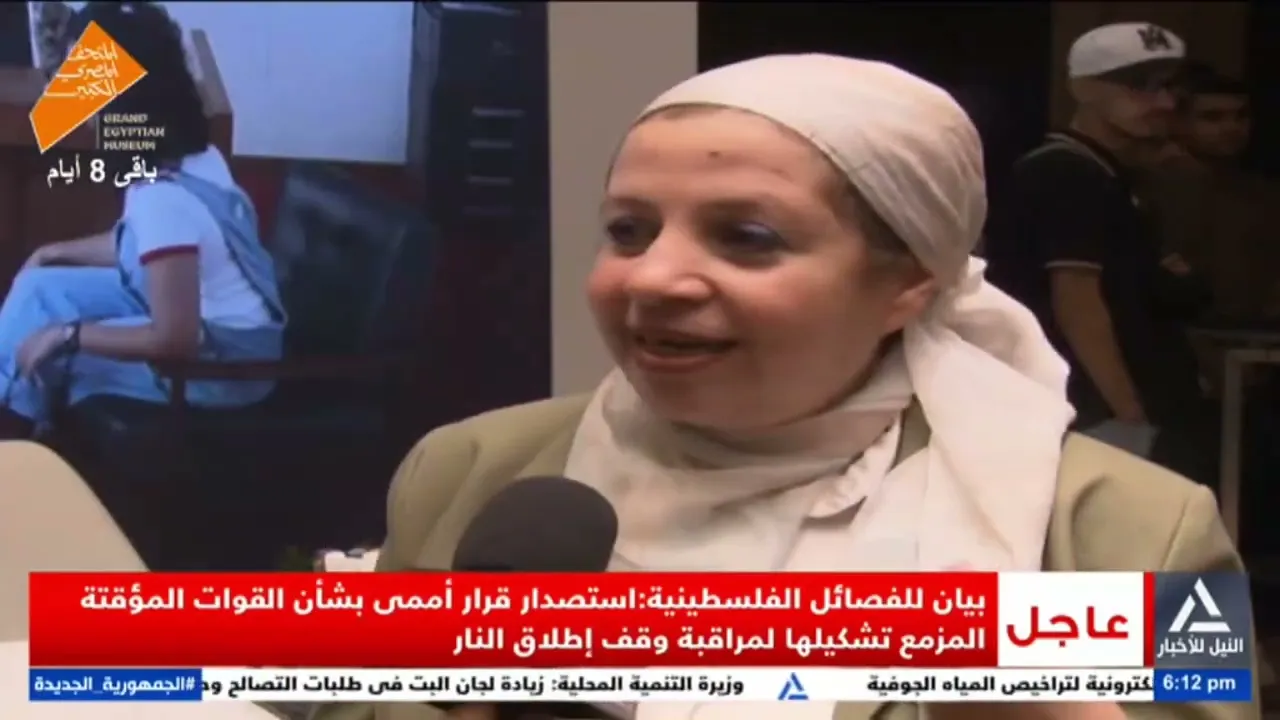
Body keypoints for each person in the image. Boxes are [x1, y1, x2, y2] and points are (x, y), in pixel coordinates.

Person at [311, 54, 1253, 720]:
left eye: (747, 237)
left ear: (910, 280)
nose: (652, 277)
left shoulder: (1139, 531)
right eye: (630, 230)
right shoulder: (473, 470)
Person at [0, 1, 285, 439]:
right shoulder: (193, 156)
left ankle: (18, 440)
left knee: (51, 353)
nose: (73, 96)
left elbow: (175, 338)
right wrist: (52, 252)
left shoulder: (162, 196)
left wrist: (68, 335)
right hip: (195, 319)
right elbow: (142, 246)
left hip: (222, 365)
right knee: (40, 288)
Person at [983, 23, 1214, 479]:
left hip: (1117, 402)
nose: (1164, 102)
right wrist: (1128, 413)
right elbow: (1078, 302)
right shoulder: (1066, 171)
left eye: (1171, 87)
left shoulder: (1109, 173)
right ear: (1084, 89)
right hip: (1086, 407)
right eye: (1139, 85)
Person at [1145, 62, 1280, 320]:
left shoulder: (1264, 195)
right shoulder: (1145, 188)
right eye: (1212, 117)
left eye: (1241, 116)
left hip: (1253, 333)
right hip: (1171, 328)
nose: (1232, 127)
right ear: (1176, 121)